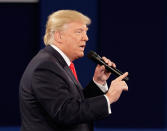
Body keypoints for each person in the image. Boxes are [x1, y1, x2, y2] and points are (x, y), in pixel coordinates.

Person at [19, 10, 128, 131]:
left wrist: (98, 82)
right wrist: (109, 97)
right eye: (79, 32)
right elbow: (65, 113)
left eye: (86, 32)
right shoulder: (45, 66)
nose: (86, 38)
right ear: (59, 36)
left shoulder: (56, 62)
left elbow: (75, 104)